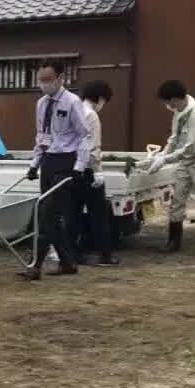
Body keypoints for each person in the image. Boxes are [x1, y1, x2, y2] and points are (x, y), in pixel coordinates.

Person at [20, 61, 87, 280]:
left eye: (48, 79)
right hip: (48, 162)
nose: (44, 84)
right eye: (41, 80)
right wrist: (34, 164)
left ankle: (35, 266)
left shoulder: (72, 102)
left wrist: (79, 167)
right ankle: (68, 262)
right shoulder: (41, 104)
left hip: (66, 163)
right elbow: (42, 137)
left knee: (46, 214)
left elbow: (84, 136)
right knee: (51, 216)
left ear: (60, 78)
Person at [143, 80, 195, 254]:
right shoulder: (179, 112)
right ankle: (174, 241)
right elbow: (174, 139)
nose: (166, 105)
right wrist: (162, 154)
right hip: (184, 162)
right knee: (177, 200)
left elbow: (191, 147)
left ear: (173, 99)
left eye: (166, 101)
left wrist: (166, 160)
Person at [74, 79, 119, 266]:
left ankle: (73, 254)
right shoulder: (91, 115)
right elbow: (93, 147)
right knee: (99, 214)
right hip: (88, 171)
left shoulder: (74, 110)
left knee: (73, 214)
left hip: (73, 169)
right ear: (100, 98)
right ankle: (105, 256)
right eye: (104, 101)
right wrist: (98, 171)